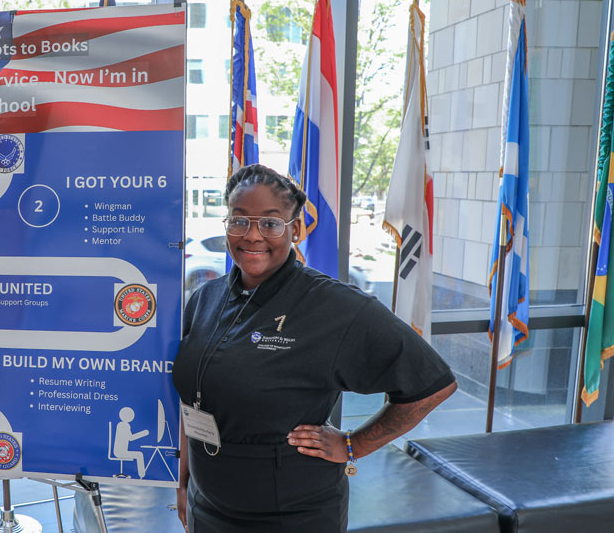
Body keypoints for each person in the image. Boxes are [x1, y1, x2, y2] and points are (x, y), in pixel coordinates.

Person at [172, 164, 457, 533]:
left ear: (294, 230)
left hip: (290, 516)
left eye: (271, 223)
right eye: (239, 220)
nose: (252, 235)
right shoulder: (205, 298)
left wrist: (352, 446)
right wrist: (183, 482)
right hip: (207, 507)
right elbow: (192, 399)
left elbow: (432, 384)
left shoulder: (334, 307)